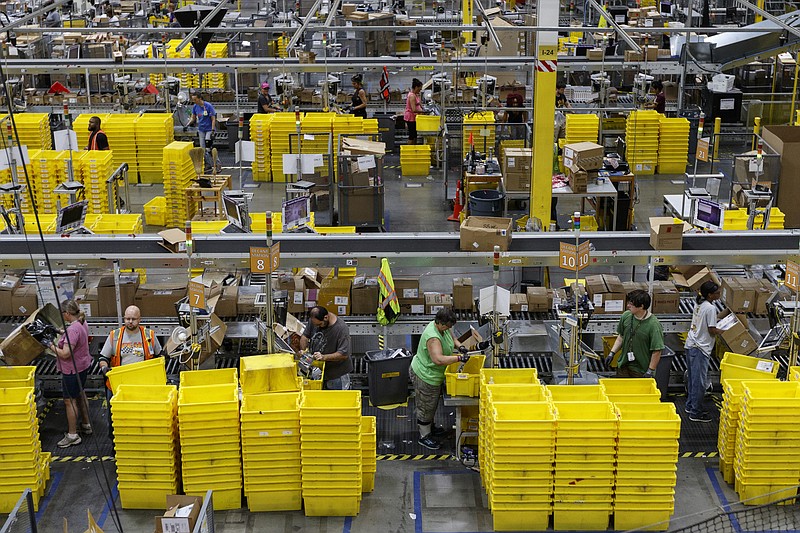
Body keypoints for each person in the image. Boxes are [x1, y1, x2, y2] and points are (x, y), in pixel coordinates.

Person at [409, 309, 475, 450]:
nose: (448, 329)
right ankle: (424, 436)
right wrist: (459, 358)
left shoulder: (442, 328)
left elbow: (452, 337)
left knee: (431, 404)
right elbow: (438, 359)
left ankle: (430, 428)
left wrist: (460, 347)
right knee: (426, 406)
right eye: (447, 326)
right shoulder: (432, 337)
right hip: (425, 375)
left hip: (434, 375)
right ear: (440, 323)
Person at [98, 305, 162, 438]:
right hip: (118, 386)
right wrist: (104, 368)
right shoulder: (115, 336)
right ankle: (116, 445)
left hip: (143, 385)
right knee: (116, 418)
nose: (130, 321)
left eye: (133, 319)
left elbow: (159, 356)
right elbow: (103, 358)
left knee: (142, 416)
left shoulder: (149, 335)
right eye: (127, 318)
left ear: (140, 319)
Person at [49, 300, 92, 448]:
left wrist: (49, 344)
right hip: (82, 367)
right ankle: (87, 424)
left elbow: (65, 353)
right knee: (80, 393)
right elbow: (75, 337)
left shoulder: (72, 330)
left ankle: (73, 435)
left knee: (69, 401)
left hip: (71, 370)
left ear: (67, 313)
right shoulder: (81, 323)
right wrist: (60, 332)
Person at [684, 281, 722, 423]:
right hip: (700, 348)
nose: (719, 294)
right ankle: (696, 412)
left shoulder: (699, 303)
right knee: (699, 383)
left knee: (693, 379)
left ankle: (690, 406)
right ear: (710, 295)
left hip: (691, 344)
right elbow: (712, 329)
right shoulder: (710, 308)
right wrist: (726, 331)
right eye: (717, 293)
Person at [606, 289, 665, 379]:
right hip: (623, 365)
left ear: (641, 306)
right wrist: (612, 353)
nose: (628, 306)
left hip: (641, 370)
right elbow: (621, 337)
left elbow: (657, 350)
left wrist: (650, 370)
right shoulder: (626, 316)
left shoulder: (653, 325)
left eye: (631, 304)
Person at [299, 306, 352, 390]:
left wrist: (324, 357)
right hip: (318, 372)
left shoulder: (341, 329)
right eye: (315, 325)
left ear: (326, 317)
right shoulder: (314, 320)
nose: (317, 327)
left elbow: (343, 354)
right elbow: (305, 337)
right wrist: (303, 350)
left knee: (335, 401)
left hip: (336, 375)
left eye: (319, 324)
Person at [189, 93, 219, 172]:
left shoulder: (208, 106)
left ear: (199, 99)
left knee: (209, 148)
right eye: (193, 99)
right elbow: (193, 118)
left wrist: (212, 130)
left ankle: (217, 164)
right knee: (203, 149)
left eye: (195, 99)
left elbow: (213, 119)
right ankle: (208, 164)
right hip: (201, 130)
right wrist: (187, 125)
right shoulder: (195, 107)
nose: (194, 101)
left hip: (209, 129)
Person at [404, 78, 424, 145]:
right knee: (412, 136)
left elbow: (419, 104)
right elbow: (414, 109)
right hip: (410, 118)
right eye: (419, 89)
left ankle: (414, 150)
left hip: (414, 117)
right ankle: (409, 151)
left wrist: (423, 108)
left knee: (415, 135)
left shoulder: (415, 94)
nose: (420, 90)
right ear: (416, 87)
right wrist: (424, 112)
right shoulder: (412, 96)